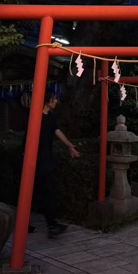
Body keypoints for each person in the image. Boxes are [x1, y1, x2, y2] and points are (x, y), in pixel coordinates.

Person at [33, 87, 80, 238]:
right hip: (36, 158)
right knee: (43, 192)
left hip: (46, 157)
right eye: (54, 99)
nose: (57, 101)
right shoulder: (35, 117)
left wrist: (69, 145)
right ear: (47, 100)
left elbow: (57, 131)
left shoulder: (50, 117)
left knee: (42, 192)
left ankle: (50, 223)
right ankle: (51, 225)